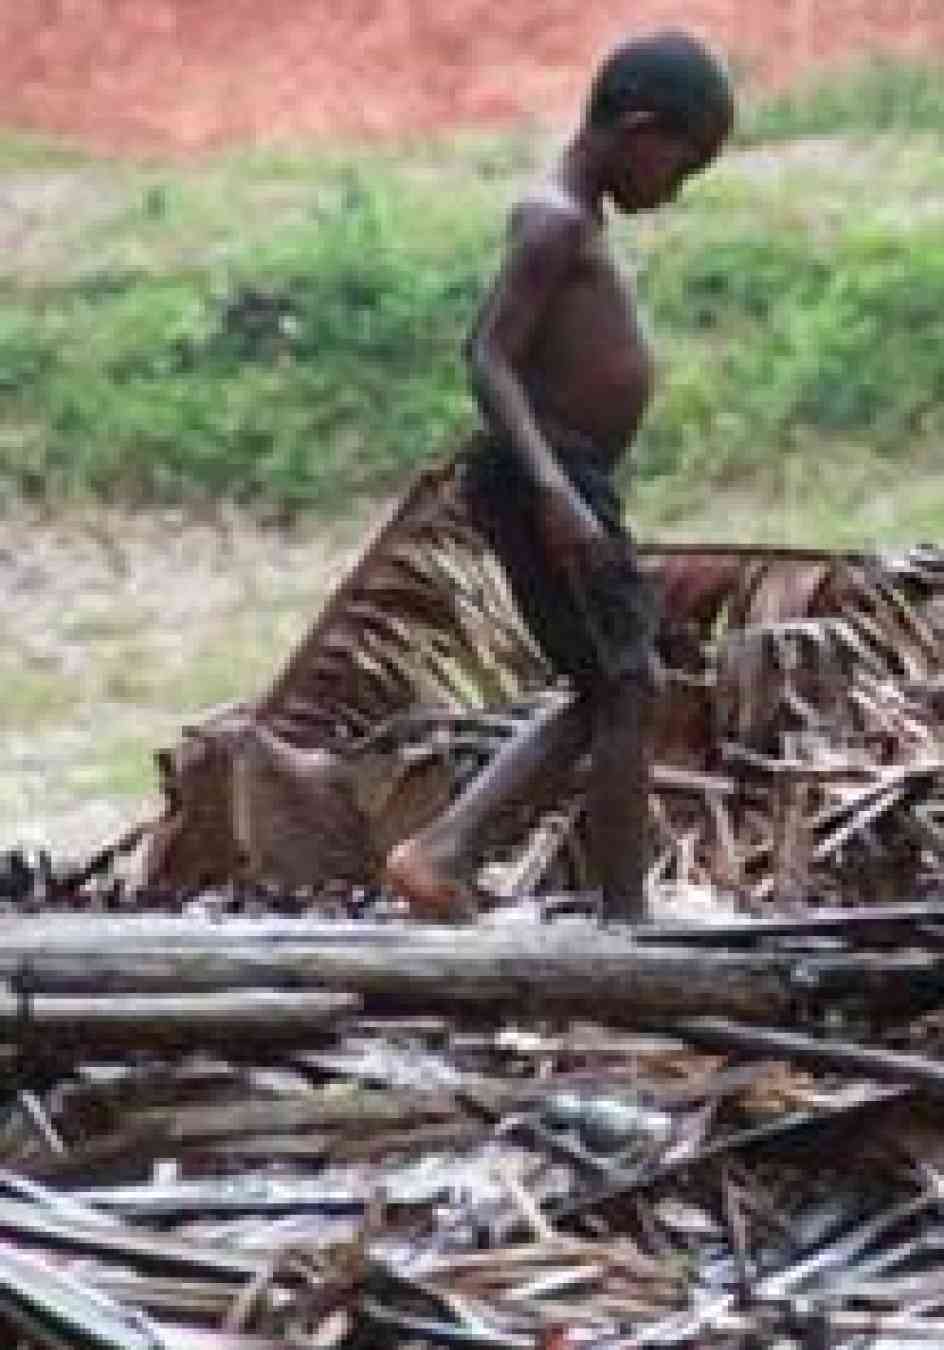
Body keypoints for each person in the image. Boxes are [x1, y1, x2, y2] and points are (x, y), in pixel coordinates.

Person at [383, 30, 734, 925]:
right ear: (639, 128)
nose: (674, 191)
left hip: (565, 477)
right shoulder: (553, 220)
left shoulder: (578, 220)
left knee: (616, 683)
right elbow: (488, 356)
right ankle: (623, 916)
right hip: (540, 476)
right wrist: (551, 489)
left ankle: (449, 852)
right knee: (628, 688)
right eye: (679, 167)